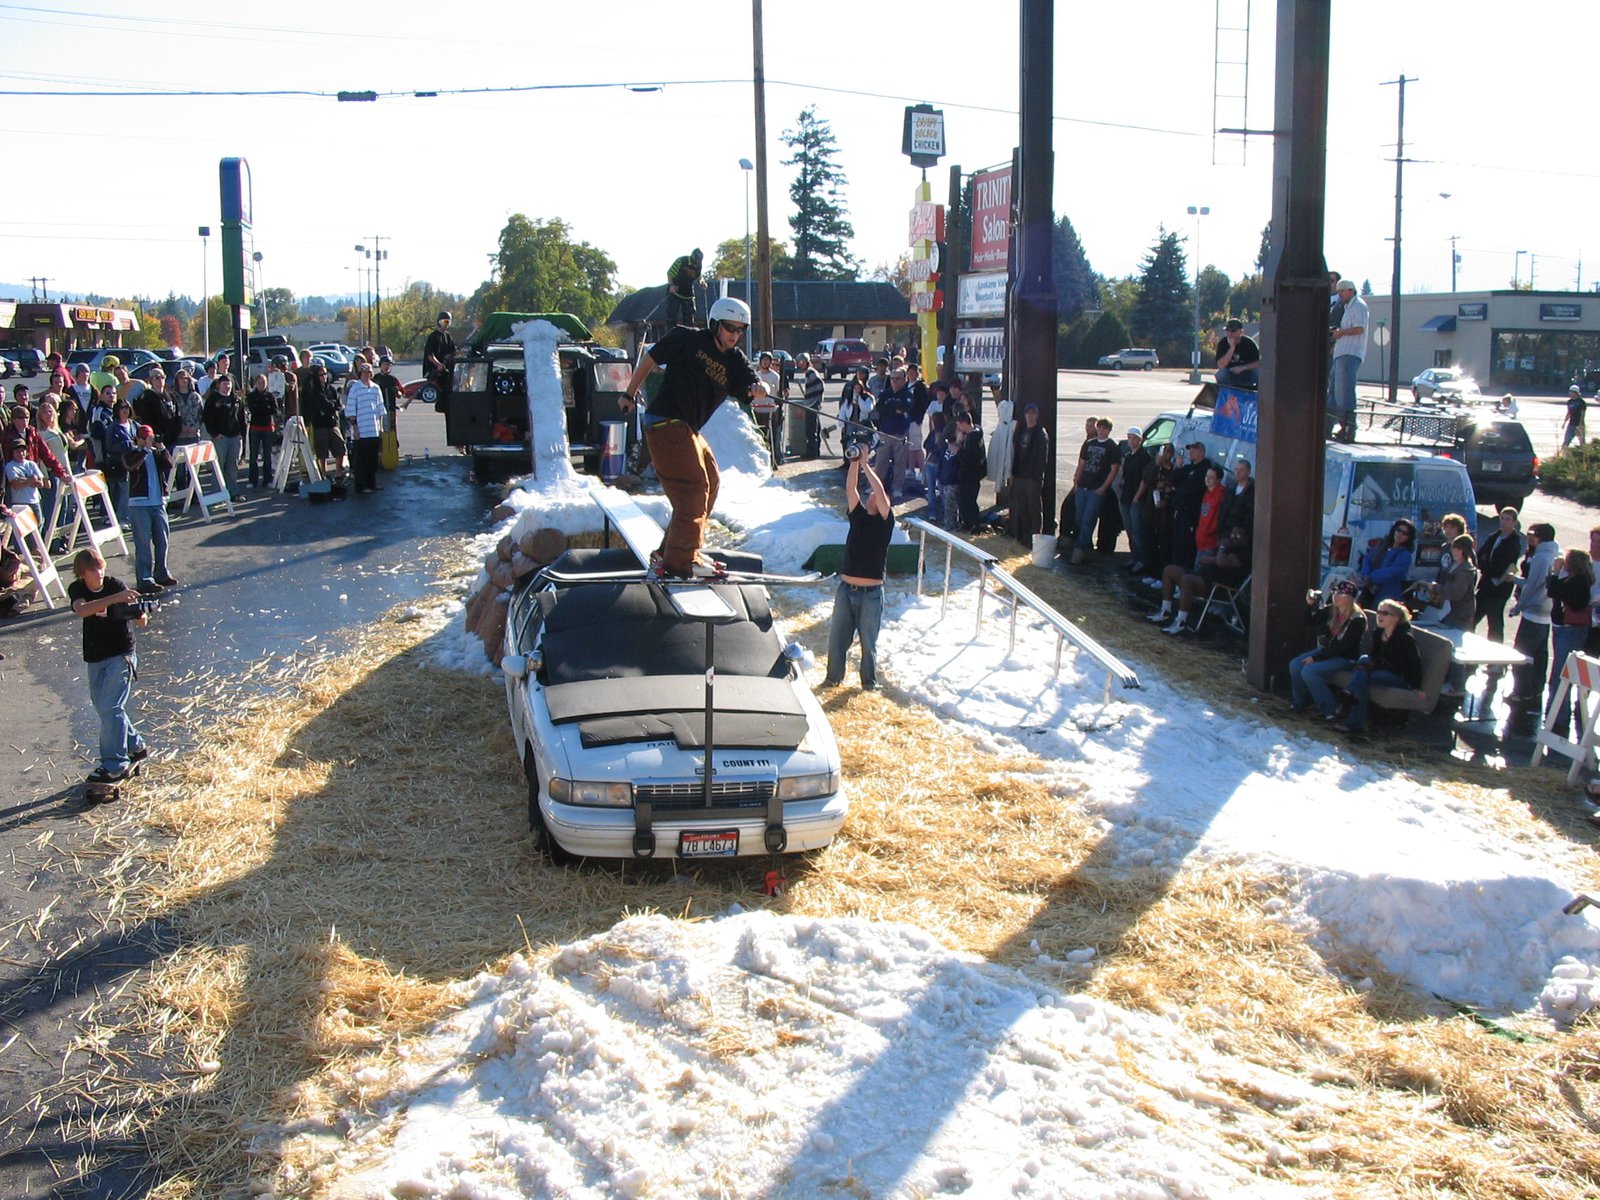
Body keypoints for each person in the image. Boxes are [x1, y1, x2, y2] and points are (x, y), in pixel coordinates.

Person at [617, 296, 768, 578]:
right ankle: (680, 563)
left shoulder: (734, 361)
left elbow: (748, 380)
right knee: (693, 489)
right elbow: (650, 359)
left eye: (740, 330)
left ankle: (671, 554)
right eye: (729, 328)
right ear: (714, 324)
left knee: (711, 480)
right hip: (665, 421)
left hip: (687, 429)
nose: (734, 335)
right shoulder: (688, 339)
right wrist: (629, 392)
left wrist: (757, 387)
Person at [67, 546, 150, 787]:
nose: (99, 573)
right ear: (82, 573)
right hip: (95, 655)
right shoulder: (78, 589)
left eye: (100, 567)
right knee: (104, 708)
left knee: (111, 707)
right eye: (93, 570)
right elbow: (82, 610)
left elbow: (141, 620)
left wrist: (138, 613)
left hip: (121, 653)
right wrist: (116, 600)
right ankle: (135, 745)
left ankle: (115, 764)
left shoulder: (116, 584)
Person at [822, 449, 894, 690]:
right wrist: (854, 463)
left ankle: (868, 684)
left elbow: (882, 492)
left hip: (871, 593)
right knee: (837, 639)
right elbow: (851, 489)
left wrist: (866, 466)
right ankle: (832, 679)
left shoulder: (885, 522)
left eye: (876, 495)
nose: (872, 496)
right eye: (870, 494)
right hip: (846, 589)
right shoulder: (858, 515)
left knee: (868, 643)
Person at [1334, 599, 1426, 734]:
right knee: (1363, 667)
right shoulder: (1378, 633)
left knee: (1361, 677)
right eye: (1378, 612)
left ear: (1396, 618)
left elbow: (1415, 665)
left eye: (1385, 613)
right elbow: (1374, 656)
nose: (1380, 616)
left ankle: (1350, 703)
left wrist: (1417, 688)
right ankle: (1354, 717)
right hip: (1379, 671)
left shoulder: (1406, 638)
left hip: (1398, 676)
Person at [1289, 579, 1369, 719]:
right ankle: (1301, 701)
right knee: (1295, 665)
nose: (1336, 596)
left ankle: (1331, 710)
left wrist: (1316, 658)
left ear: (1350, 598)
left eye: (1341, 594)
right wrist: (1310, 605)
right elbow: (1310, 621)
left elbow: (1343, 647)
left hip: (1345, 658)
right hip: (1327, 652)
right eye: (1335, 592)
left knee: (1309, 671)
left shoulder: (1357, 619)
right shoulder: (1332, 610)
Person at [1509, 522, 1560, 720]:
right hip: (1546, 614)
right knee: (1540, 657)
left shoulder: (1540, 557)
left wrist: (1518, 607)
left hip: (1533, 614)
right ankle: (1535, 691)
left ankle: (1521, 692)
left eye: (1533, 534)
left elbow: (1532, 585)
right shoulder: (1556, 553)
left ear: (1540, 537)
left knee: (1522, 655)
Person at [1546, 547, 1595, 735]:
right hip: (1569, 629)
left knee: (1561, 675)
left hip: (1571, 631)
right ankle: (1557, 714)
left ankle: (1558, 717)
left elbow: (1553, 590)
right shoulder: (1579, 580)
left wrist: (1555, 572)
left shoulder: (1578, 582)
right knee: (1561, 674)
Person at [123, 424, 176, 594]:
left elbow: (169, 464)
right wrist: (144, 450)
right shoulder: (132, 453)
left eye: (150, 437)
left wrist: (161, 448)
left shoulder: (156, 453)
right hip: (139, 504)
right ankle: (145, 579)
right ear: (137, 439)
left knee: (162, 540)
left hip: (157, 502)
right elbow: (131, 466)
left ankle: (161, 573)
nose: (148, 441)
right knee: (143, 542)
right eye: (144, 437)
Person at [1068, 418, 1121, 565]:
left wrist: (1103, 488)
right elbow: (1082, 463)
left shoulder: (1112, 447)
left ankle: (1079, 550)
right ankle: (1086, 547)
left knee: (1088, 519)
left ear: (1109, 430)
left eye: (1105, 428)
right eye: (1100, 428)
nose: (1101, 431)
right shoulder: (1089, 444)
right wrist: (1076, 482)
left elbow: (1114, 469)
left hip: (1096, 489)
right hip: (1083, 485)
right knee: (1079, 518)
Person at [1327, 279, 1368, 443]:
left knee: (1345, 391)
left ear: (1351, 290)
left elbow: (1360, 328)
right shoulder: (1345, 308)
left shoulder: (1359, 306)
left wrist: (1341, 333)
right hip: (1341, 352)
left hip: (1351, 353)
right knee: (1335, 391)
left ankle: (1349, 428)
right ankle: (1331, 425)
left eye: (1343, 291)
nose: (1340, 294)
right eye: (1339, 291)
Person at [1476, 507, 1524, 644]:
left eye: (1508, 519)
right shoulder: (1494, 536)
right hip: (1485, 585)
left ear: (1514, 522)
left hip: (1499, 589)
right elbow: (1480, 556)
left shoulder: (1514, 543)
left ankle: (1494, 662)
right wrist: (1485, 564)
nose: (1504, 522)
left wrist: (1486, 565)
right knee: (1473, 618)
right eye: (1502, 518)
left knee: (1495, 625)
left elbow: (1500, 567)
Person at [1007, 402, 1050, 546]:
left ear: (1037, 415)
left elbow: (1042, 458)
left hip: (1032, 478)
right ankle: (1025, 536)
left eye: (1033, 413)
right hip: (1020, 476)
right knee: (1022, 507)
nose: (1030, 416)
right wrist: (1013, 473)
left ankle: (1035, 537)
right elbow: (1016, 454)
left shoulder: (1040, 433)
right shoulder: (1021, 431)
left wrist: (1037, 476)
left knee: (1034, 508)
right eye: (1028, 413)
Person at [1168, 441, 1215, 571]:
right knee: (1176, 545)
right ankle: (1174, 575)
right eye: (1190, 449)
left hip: (1191, 514)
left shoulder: (1204, 469)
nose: (1191, 452)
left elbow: (1190, 488)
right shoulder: (1188, 468)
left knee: (1186, 547)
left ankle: (1183, 578)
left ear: (1202, 452)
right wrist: (1177, 467)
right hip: (1180, 511)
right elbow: (1172, 483)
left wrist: (1178, 488)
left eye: (1194, 449)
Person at [870, 368, 914, 501]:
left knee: (900, 462)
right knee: (880, 461)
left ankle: (897, 488)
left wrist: (891, 405)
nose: (894, 381)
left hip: (901, 433)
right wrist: (894, 408)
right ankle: (877, 486)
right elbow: (879, 408)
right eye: (892, 379)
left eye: (898, 379)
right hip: (885, 431)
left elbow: (905, 407)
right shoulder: (885, 393)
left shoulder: (907, 393)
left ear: (904, 379)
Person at [1351, 518, 1416, 606]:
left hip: (1388, 594)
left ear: (1409, 538)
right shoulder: (1382, 545)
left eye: (1404, 533)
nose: (1400, 534)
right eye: (1398, 530)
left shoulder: (1405, 555)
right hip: (1369, 591)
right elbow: (1367, 559)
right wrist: (1365, 575)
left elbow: (1392, 573)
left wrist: (1369, 577)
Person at [202, 368, 246, 495]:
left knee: (233, 466)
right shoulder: (213, 400)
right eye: (224, 383)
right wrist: (215, 434)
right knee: (218, 466)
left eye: (229, 383)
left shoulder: (237, 400)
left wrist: (241, 435)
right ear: (219, 385)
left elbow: (242, 419)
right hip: (220, 438)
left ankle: (233, 492)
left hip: (235, 437)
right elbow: (207, 418)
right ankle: (218, 494)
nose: (227, 386)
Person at [1135, 442, 1175, 579]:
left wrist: (1166, 500)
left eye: (1168, 452)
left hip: (1165, 515)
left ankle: (1161, 575)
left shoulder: (1174, 470)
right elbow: (1146, 479)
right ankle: (1150, 572)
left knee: (1163, 547)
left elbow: (1174, 488)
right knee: (1149, 542)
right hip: (1151, 511)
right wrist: (1156, 464)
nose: (1166, 455)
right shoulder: (1154, 467)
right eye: (1164, 452)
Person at [346, 361, 386, 494]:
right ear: (360, 374)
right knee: (360, 460)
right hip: (361, 430)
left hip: (373, 429)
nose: (366, 375)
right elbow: (351, 410)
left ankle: (372, 483)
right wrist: (355, 427)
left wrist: (380, 427)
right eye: (363, 373)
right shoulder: (355, 388)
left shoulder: (376, 388)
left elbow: (380, 408)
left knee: (372, 459)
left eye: (368, 372)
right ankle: (360, 486)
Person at [302, 364, 345, 479]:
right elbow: (324, 404)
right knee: (322, 450)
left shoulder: (330, 389)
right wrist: (331, 404)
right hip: (319, 424)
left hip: (332, 423)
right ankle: (324, 473)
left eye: (325, 374)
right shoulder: (314, 390)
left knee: (340, 445)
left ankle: (338, 471)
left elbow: (338, 404)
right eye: (321, 375)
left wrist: (332, 405)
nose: (324, 377)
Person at [1117, 426, 1151, 572]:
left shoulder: (1144, 457)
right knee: (1130, 530)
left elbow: (1145, 479)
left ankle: (1142, 561)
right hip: (1126, 497)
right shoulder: (1129, 456)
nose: (1131, 440)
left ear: (1140, 440)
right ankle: (1134, 557)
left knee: (1138, 532)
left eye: (1134, 438)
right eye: (1129, 437)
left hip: (1136, 500)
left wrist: (1137, 497)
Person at [242, 374, 279, 489]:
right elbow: (253, 410)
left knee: (267, 455)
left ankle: (268, 479)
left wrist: (263, 408)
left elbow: (274, 409)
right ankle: (253, 480)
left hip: (268, 427)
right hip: (255, 428)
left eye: (263, 383)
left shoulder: (270, 396)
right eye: (259, 383)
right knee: (253, 455)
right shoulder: (251, 396)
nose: (261, 385)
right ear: (255, 384)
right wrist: (264, 408)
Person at [953, 410, 986, 531]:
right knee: (967, 500)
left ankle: (973, 525)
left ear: (963, 424)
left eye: (958, 424)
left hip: (970, 475)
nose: (957, 427)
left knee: (969, 501)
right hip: (972, 475)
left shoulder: (973, 438)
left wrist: (958, 451)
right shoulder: (975, 433)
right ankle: (969, 523)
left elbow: (971, 458)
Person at [752, 352, 784, 471]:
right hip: (757, 408)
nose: (765, 362)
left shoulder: (775, 376)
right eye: (763, 360)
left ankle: (773, 459)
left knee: (771, 436)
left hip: (771, 410)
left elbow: (778, 392)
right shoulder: (756, 375)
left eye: (767, 360)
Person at [4, 441, 45, 524]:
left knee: (38, 523)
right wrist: (31, 480)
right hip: (19, 502)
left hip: (34, 501)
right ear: (13, 453)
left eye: (23, 451)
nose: (21, 453)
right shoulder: (10, 466)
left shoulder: (32, 464)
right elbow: (15, 485)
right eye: (18, 451)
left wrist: (23, 480)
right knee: (21, 528)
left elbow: (40, 484)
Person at [1214, 318, 1261, 389]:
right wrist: (1232, 348)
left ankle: (1257, 395)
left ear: (1241, 331)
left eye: (1233, 331)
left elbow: (1259, 363)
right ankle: (1224, 394)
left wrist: (1243, 367)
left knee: (1259, 373)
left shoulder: (1249, 343)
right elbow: (1221, 365)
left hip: (1247, 372)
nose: (1230, 334)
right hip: (1230, 373)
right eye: (1228, 331)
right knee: (1220, 374)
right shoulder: (1223, 343)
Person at [423, 312, 457, 408]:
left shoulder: (448, 336)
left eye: (448, 322)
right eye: (445, 322)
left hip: (446, 369)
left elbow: (453, 351)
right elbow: (429, 355)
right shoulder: (433, 336)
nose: (446, 324)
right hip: (435, 371)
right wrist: (438, 365)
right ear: (439, 322)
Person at [665, 249, 704, 326]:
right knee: (672, 316)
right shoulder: (682, 261)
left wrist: (702, 282)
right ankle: (671, 335)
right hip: (676, 291)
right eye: (696, 261)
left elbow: (699, 276)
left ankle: (688, 336)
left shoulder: (699, 266)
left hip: (688, 293)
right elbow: (670, 273)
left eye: (699, 261)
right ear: (693, 258)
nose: (697, 263)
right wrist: (671, 285)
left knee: (689, 318)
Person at [796, 353, 824, 459]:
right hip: (811, 404)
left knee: (811, 429)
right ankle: (814, 450)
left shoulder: (811, 373)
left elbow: (820, 385)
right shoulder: (808, 373)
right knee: (813, 428)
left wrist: (816, 400)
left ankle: (813, 452)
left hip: (812, 405)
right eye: (799, 362)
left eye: (803, 361)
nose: (801, 364)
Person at [1562, 384, 1587, 452]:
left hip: (1579, 425)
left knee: (1582, 442)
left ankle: (1585, 456)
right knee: (1566, 441)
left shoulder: (1581, 402)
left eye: (1571, 391)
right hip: (1571, 425)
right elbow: (1569, 413)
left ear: (1575, 393)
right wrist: (1564, 422)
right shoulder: (1569, 402)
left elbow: (1583, 415)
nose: (1569, 393)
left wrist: (1581, 425)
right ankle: (1561, 455)